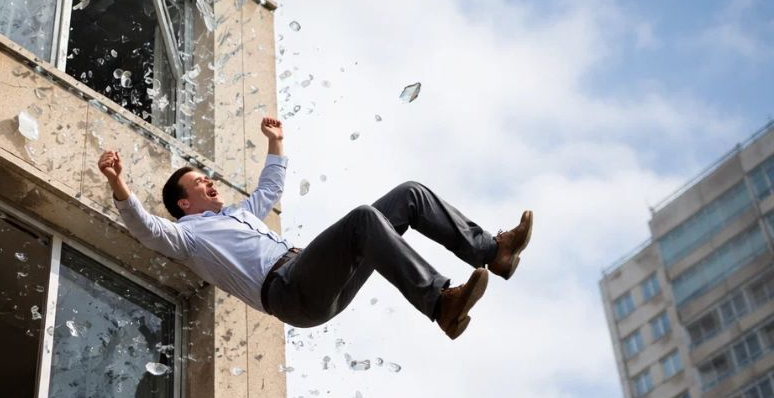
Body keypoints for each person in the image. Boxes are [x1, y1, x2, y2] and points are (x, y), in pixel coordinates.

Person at [96, 117, 532, 339]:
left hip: (315, 277)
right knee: (363, 219)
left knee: (408, 196)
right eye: (198, 182)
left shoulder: (241, 214)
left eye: (204, 176)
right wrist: (118, 182)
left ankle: (493, 252)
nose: (208, 181)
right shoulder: (188, 237)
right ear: (184, 204)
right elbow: (146, 229)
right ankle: (441, 304)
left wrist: (275, 142)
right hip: (290, 291)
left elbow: (270, 187)